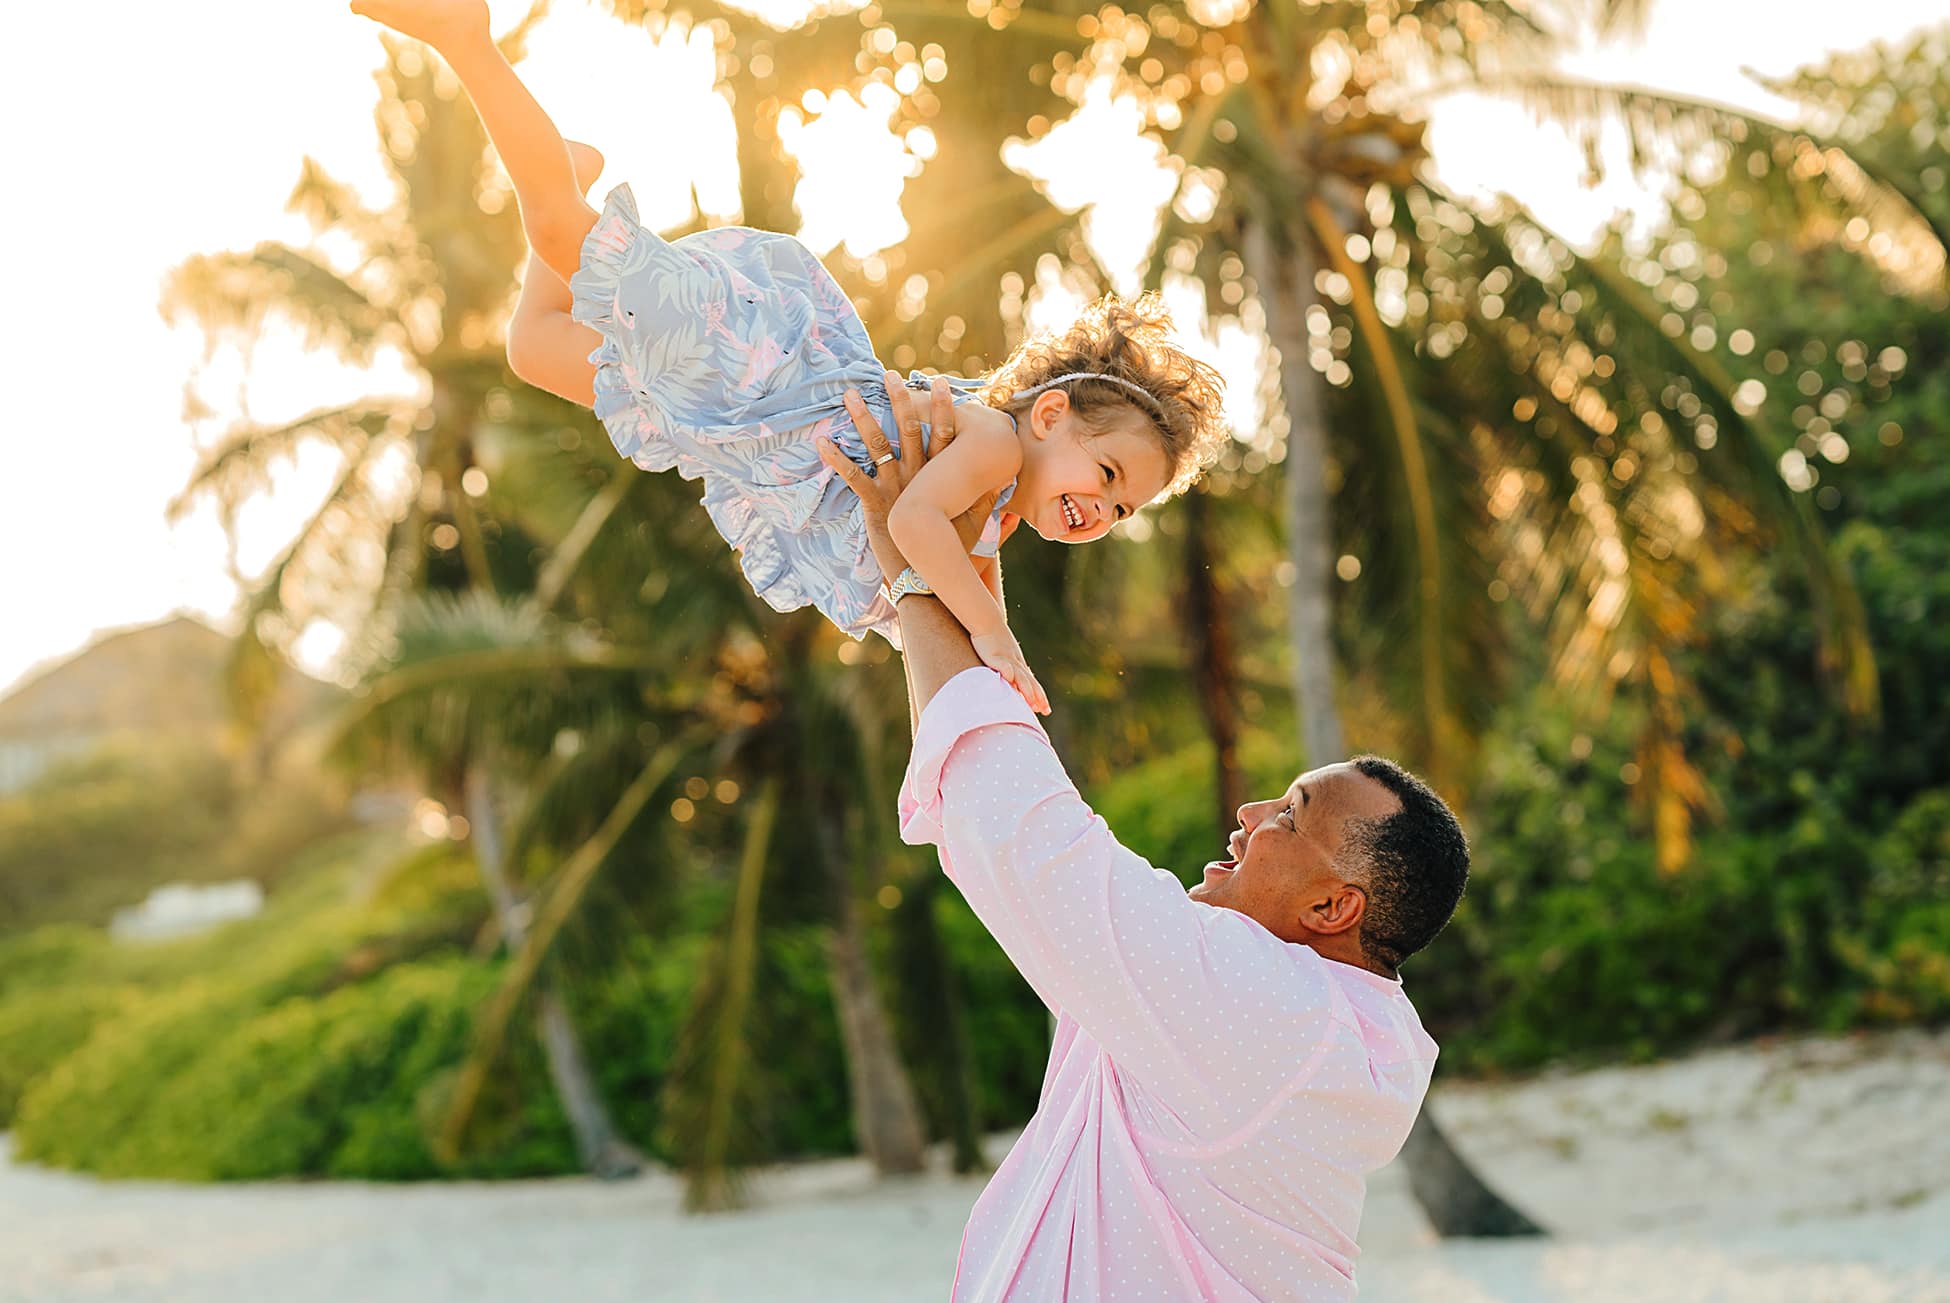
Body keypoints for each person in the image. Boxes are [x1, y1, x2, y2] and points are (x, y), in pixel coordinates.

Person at [348, 0, 1229, 714]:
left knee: (534, 346)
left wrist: (992, 636)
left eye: (1121, 510)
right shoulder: (996, 445)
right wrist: (999, 642)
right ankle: (470, 40)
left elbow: (952, 573)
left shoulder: (996, 500)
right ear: (1051, 414)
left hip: (739, 426)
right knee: (556, 229)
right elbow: (916, 529)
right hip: (750, 364)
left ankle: (567, 171)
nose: (1101, 510)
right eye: (1108, 472)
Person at [822, 384, 1472, 1301]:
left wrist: (912, 564)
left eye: (1289, 815)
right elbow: (1009, 817)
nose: (1249, 814)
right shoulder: (1313, 1026)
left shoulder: (1267, 1012)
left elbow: (1028, 841)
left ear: (1334, 907)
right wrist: (953, 565)